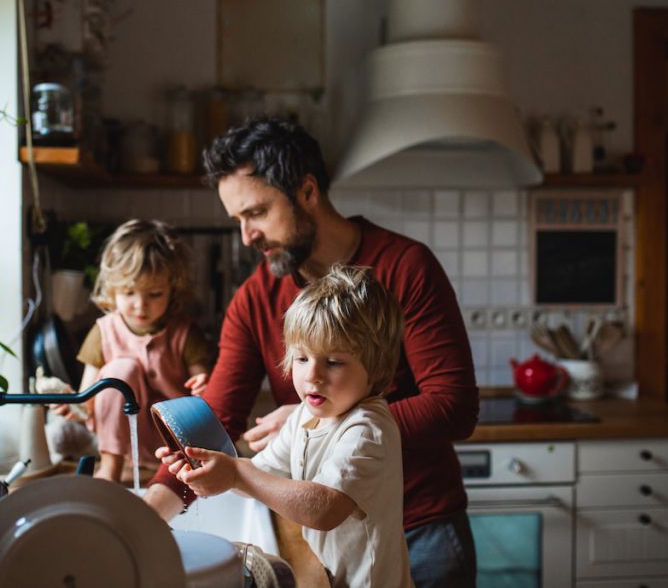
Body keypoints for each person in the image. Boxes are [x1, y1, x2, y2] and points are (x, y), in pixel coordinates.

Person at [143, 117, 479, 587]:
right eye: (237, 220)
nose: (246, 237)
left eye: (256, 213)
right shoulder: (256, 298)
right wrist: (153, 508)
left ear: (306, 192)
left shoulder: (406, 268)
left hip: (421, 528)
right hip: (329, 548)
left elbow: (454, 406)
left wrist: (325, 421)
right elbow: (215, 418)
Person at [159, 265, 412, 587]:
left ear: (375, 368)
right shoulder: (304, 417)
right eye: (302, 358)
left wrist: (236, 473)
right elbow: (257, 478)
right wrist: (207, 469)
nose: (312, 375)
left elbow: (324, 509)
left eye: (333, 362)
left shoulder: (366, 429)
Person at [43, 219, 212, 482]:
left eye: (154, 294)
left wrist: (204, 387)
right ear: (112, 289)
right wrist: (72, 404)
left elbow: (205, 390)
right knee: (119, 371)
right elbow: (88, 401)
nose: (140, 305)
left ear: (173, 288)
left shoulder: (185, 332)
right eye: (128, 293)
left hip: (177, 442)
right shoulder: (103, 331)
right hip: (122, 443)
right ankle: (109, 467)